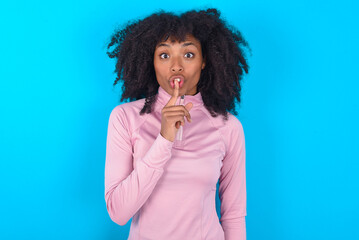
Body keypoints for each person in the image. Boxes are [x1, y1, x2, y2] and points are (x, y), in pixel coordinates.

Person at [104, 8, 250, 240]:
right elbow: (118, 212)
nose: (176, 66)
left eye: (189, 54)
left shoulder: (228, 127)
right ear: (151, 61)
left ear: (204, 61)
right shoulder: (125, 118)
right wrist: (164, 139)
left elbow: (233, 215)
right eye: (164, 55)